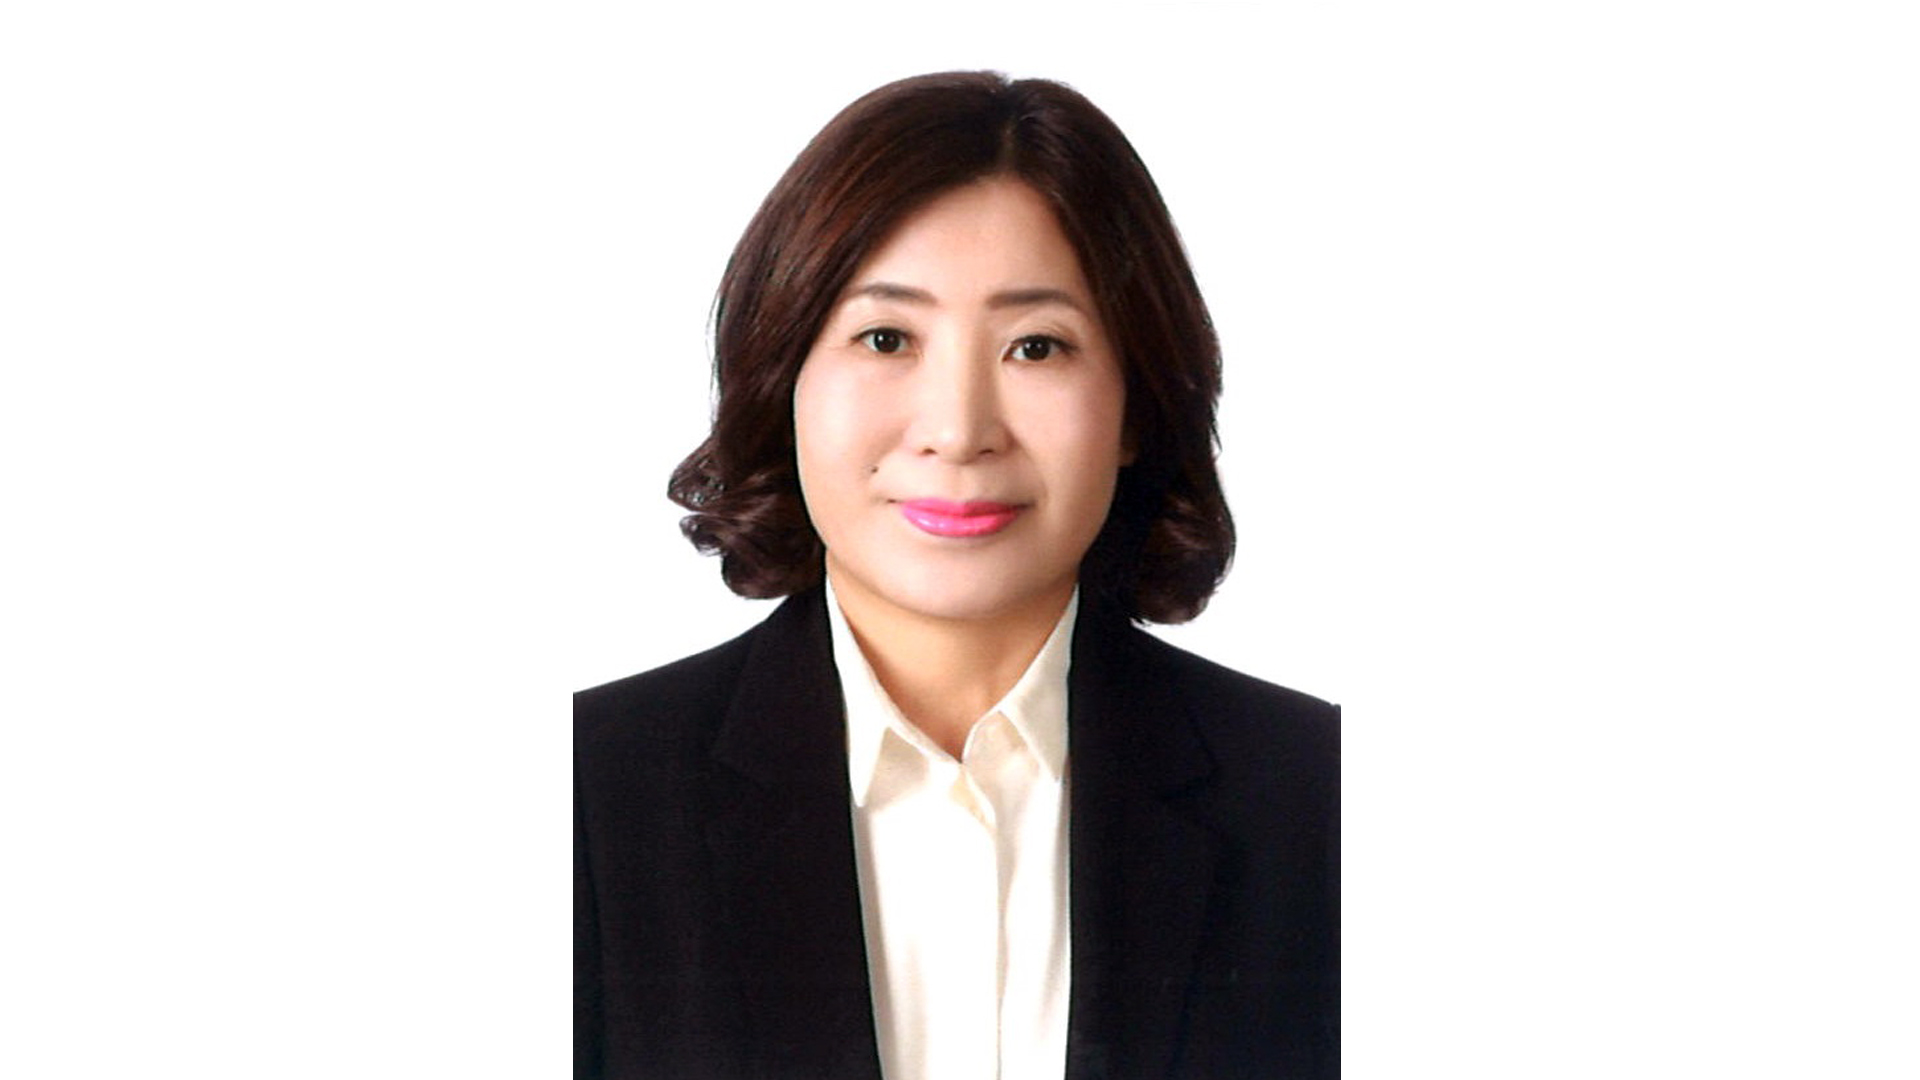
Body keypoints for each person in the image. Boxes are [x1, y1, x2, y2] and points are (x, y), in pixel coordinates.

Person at [575, 71, 1338, 1080]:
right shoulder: (581, 798)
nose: (959, 429)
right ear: (782, 376)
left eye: (1037, 347)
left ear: (1138, 405)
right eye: (886, 338)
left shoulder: (1324, 800)